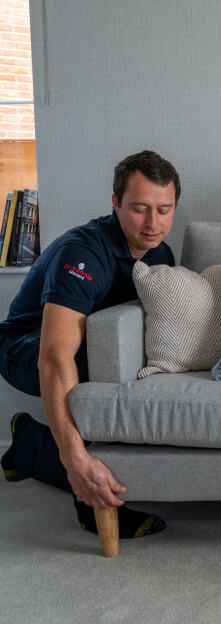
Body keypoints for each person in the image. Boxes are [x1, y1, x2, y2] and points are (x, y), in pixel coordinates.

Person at [0, 150, 180, 539]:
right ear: (115, 203)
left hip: (83, 350)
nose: (153, 223)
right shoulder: (83, 253)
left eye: (164, 210)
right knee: (96, 365)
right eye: (139, 209)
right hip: (24, 348)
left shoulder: (161, 254)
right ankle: (89, 500)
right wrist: (74, 458)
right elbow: (54, 358)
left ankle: (28, 438)